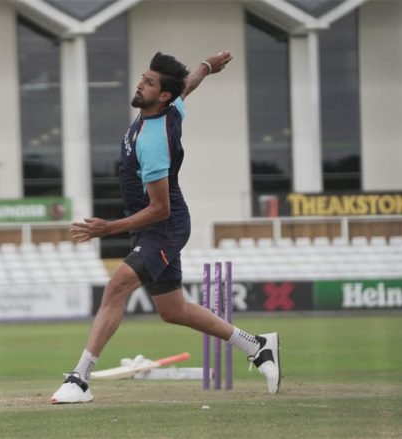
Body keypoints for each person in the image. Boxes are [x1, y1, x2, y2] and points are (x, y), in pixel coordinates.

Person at [50, 51, 280, 404]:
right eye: (143, 78)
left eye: (149, 82)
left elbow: (160, 209)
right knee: (172, 311)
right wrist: (206, 66)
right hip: (154, 228)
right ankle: (258, 346)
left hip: (164, 227)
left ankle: (80, 379)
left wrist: (108, 228)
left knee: (116, 287)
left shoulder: (154, 140)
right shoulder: (170, 108)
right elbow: (186, 86)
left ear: (162, 96)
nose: (140, 84)